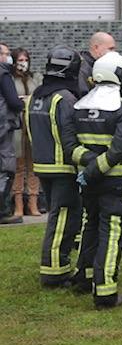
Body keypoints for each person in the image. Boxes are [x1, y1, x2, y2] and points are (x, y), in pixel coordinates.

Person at [71, 51, 122, 308]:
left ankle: (85, 277)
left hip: (89, 183)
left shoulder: (79, 106)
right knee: (111, 233)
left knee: (90, 226)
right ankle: (106, 292)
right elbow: (119, 148)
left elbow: (71, 146)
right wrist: (96, 169)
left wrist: (88, 170)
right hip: (114, 183)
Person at [78, 31, 122, 247]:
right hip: (100, 144)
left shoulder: (100, 69)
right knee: (107, 197)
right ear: (96, 48)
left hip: (114, 140)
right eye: (111, 48)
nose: (114, 53)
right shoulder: (86, 70)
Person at [26, 48, 82, 286]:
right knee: (62, 217)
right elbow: (71, 134)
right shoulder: (65, 99)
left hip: (43, 164)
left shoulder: (36, 96)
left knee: (57, 214)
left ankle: (60, 264)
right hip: (63, 167)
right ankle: (54, 271)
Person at [11, 48, 40, 216]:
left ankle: (33, 202)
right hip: (17, 125)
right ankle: (18, 204)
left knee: (33, 165)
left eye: (25, 59)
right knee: (18, 165)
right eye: (20, 59)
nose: (23, 62)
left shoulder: (34, 78)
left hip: (32, 124)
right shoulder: (10, 79)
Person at [0, 43, 25, 225]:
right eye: (6, 54)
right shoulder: (3, 73)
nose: (9, 58)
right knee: (6, 168)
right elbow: (13, 103)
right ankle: (2, 212)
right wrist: (22, 103)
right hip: (3, 127)